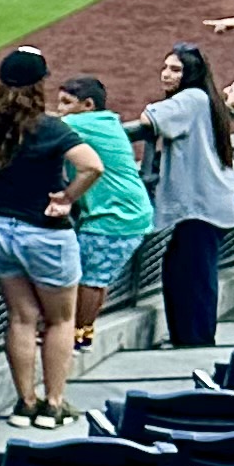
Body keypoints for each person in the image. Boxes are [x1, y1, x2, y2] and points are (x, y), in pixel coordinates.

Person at [0, 49, 104, 429]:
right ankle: (54, 403)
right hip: (45, 234)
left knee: (21, 318)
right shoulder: (50, 127)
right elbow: (92, 165)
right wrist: (67, 198)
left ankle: (25, 402)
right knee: (60, 321)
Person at [137, 41, 234, 349]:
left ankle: (194, 339)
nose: (166, 75)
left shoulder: (192, 98)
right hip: (210, 201)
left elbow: (148, 120)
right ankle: (190, 336)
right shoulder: (205, 98)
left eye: (176, 70)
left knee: (191, 274)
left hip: (201, 204)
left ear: (191, 74)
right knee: (187, 269)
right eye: (165, 68)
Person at [56, 76, 159, 346]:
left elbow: (44, 126)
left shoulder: (80, 123)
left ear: (87, 105)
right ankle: (84, 331)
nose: (61, 109)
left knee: (89, 279)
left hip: (114, 217)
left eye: (66, 103)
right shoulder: (107, 121)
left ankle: (77, 334)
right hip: (127, 215)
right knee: (96, 278)